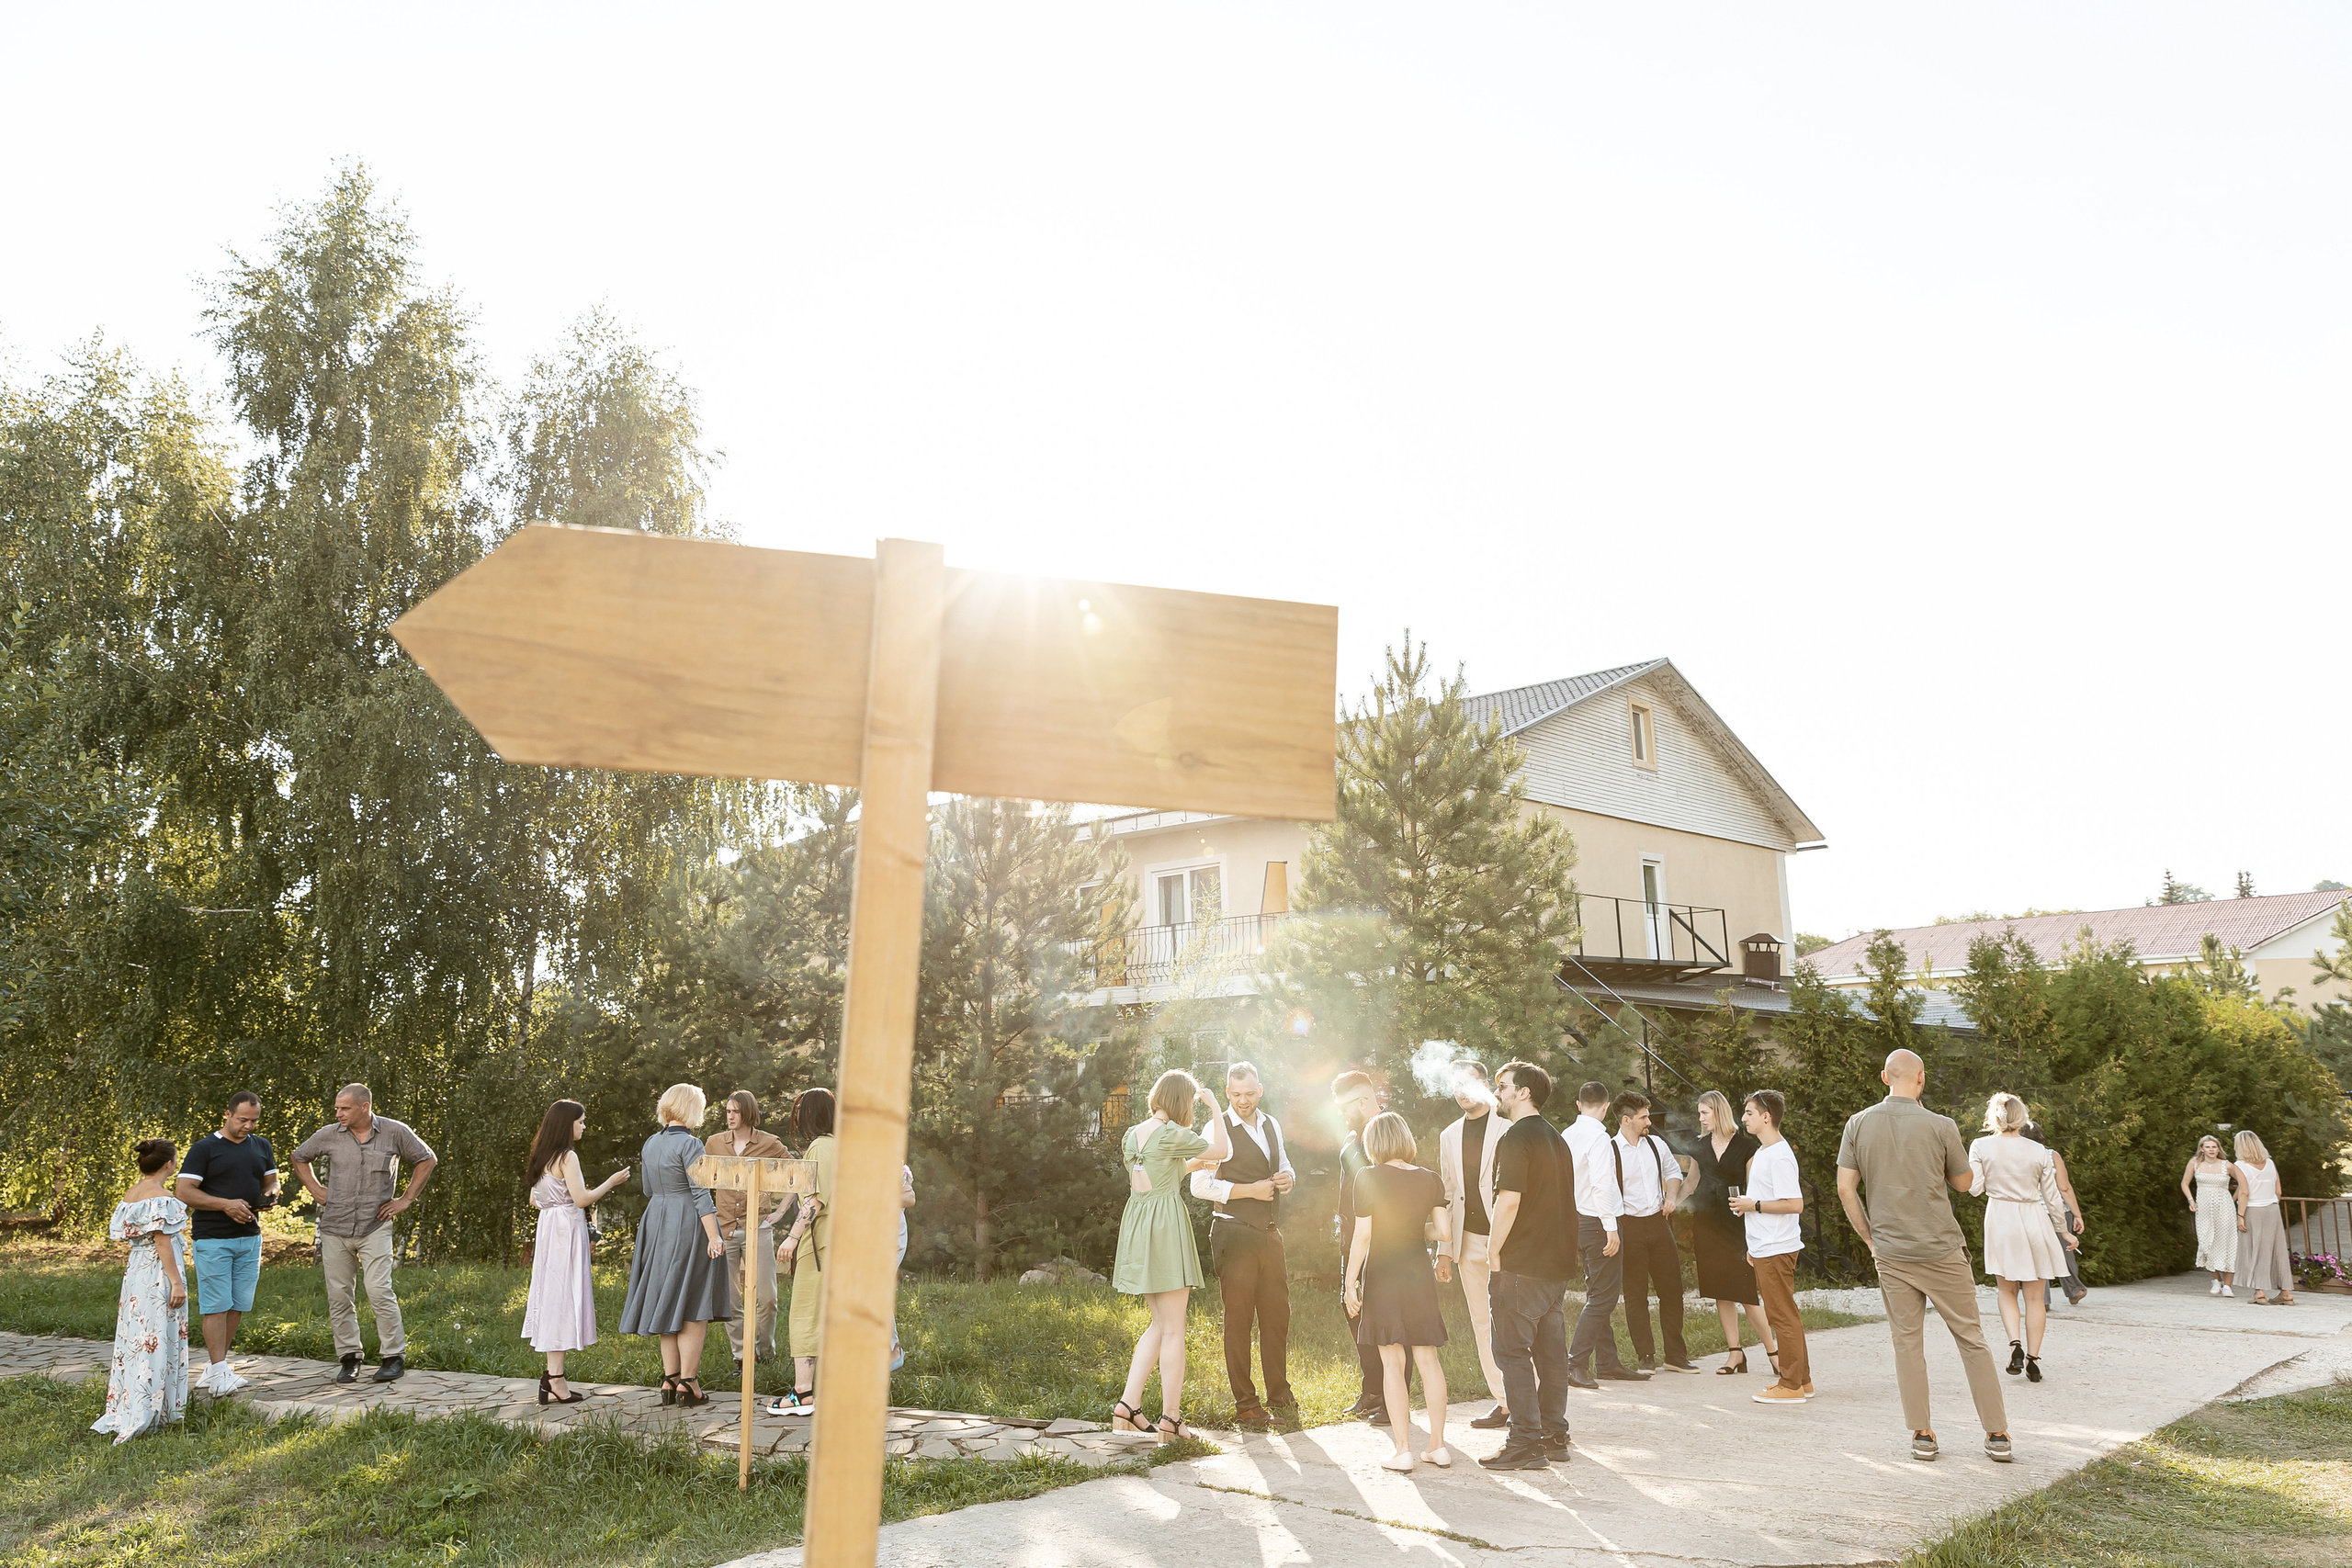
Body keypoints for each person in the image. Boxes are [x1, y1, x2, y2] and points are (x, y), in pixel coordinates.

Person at [1835, 1049, 2012, 1464]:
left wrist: (1870, 1240)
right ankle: (1997, 1434)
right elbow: (1964, 1183)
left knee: (1906, 1343)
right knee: (1971, 1339)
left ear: (1884, 1077)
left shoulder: (1857, 1124)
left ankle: (1922, 1434)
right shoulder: (1941, 1125)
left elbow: (1845, 1189)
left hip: (1891, 1252)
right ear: (1921, 1079)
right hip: (1941, 1249)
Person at [1110, 1070, 1231, 1440]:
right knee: (1175, 1328)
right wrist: (1215, 1108)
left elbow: (1157, 1171)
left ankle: (1128, 1406)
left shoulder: (1134, 1134)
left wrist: (1192, 1164)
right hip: (1165, 1227)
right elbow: (1222, 1150)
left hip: (1139, 1227)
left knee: (1160, 1325)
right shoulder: (1172, 1133)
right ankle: (1172, 1419)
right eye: (1191, 1102)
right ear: (1181, 1101)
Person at [288, 1083, 437, 1385]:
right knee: (339, 1296)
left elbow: (427, 1159)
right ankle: (349, 1358)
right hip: (335, 1227)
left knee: (379, 1290)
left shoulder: (395, 1132)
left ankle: (393, 1357)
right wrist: (315, 1188)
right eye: (337, 1108)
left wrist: (405, 1199)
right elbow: (299, 1156)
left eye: (344, 1108)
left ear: (364, 1107)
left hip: (375, 1225)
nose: (338, 1113)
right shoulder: (329, 1134)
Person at [1478, 1061, 1579, 1471]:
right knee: (1552, 1356)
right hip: (1555, 1265)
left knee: (1512, 1352)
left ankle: (1524, 1442)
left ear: (1523, 1093)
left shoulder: (1516, 1137)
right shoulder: (1557, 1139)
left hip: (1520, 1264)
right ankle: (1554, 1436)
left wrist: (1493, 1251)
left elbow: (1509, 1199)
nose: (1496, 1093)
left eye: (1502, 1086)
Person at [1343, 1111, 1453, 1472]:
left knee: (1393, 1362)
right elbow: (1443, 1232)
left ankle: (1403, 1450)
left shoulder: (1368, 1176)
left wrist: (1349, 1281)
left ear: (1374, 1144)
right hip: (1419, 1276)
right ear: (1405, 1139)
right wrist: (1413, 1227)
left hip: (1384, 1276)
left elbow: (1363, 1235)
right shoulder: (1430, 1178)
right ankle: (1438, 1446)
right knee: (1428, 1360)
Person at [1189, 1061, 1296, 1428]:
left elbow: (1283, 1163)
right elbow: (1199, 1185)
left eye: (1249, 1094)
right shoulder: (1214, 1128)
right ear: (1227, 1093)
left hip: (1268, 1233)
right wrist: (1248, 1190)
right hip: (1232, 1233)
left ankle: (1279, 1394)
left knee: (1276, 1316)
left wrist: (1288, 1178)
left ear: (1260, 1090)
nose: (1243, 1101)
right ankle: (1246, 1405)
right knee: (1239, 1320)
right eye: (1235, 1095)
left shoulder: (1271, 1124)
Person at [616, 1083, 732, 1407]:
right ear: (692, 1109)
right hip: (688, 1223)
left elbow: (648, 1188)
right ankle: (689, 1383)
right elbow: (700, 1193)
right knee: (694, 1303)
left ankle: (670, 1379)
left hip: (656, 1221)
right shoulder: (691, 1143)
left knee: (667, 1298)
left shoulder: (651, 1142)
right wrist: (714, 1235)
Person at [521, 1100, 630, 1404]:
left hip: (549, 1228)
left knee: (553, 1297)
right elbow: (582, 1199)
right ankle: (555, 1378)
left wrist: (555, 1205)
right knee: (562, 1298)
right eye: (580, 1121)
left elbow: (534, 1200)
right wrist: (611, 1182)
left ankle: (553, 1375)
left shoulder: (542, 1155)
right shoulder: (567, 1157)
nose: (583, 1126)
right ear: (566, 1124)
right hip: (565, 1231)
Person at [175, 1091, 280, 1394]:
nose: (249, 1126)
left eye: (254, 1121)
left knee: (237, 1305)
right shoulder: (204, 1148)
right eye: (243, 1119)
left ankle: (216, 1369)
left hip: (250, 1238)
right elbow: (184, 1191)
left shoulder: (261, 1145)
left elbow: (272, 1180)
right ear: (228, 1114)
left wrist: (271, 1194)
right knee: (216, 1305)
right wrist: (225, 1205)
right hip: (213, 1238)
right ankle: (219, 1373)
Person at [1970, 1094, 2075, 1384]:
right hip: (2033, 1217)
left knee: (2007, 1291)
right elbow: (2052, 1196)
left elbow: (1974, 1189)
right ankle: (2033, 1360)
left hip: (2001, 1218)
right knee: (2035, 1297)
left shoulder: (1980, 1146)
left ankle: (2015, 1345)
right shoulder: (2038, 1150)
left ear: (1994, 1117)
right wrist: (2063, 1230)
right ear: (2022, 1117)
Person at [92, 1139, 189, 1443]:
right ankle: (153, 1409)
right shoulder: (162, 1198)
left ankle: (134, 1404)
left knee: (137, 1336)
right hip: (158, 1272)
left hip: (137, 1271)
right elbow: (162, 1242)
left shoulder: (131, 1195)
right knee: (156, 1335)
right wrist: (176, 1282)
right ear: (169, 1164)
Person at [1437, 1061, 1510, 1429]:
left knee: (1517, 1324)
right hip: (1468, 1243)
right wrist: (1444, 1250)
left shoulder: (1509, 1127)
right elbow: (1447, 1195)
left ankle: (1533, 1401)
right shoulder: (1449, 1135)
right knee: (1483, 1324)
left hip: (1508, 1241)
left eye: (1468, 1083)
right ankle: (1504, 1402)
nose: (1461, 1092)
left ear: (1484, 1084)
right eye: (1455, 1085)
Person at [1729, 1089, 1809, 1407]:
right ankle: (1803, 1380)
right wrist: (1754, 1243)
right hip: (1765, 1246)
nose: (1743, 1118)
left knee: (1781, 1316)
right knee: (1786, 1314)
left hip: (1777, 1247)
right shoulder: (1763, 1152)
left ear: (1766, 1117)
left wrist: (1755, 1205)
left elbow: (1795, 1204)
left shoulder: (1779, 1155)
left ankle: (1790, 1385)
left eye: (1749, 1113)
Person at [1689, 1089, 1778, 1376]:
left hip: (1737, 1227)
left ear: (1718, 1112)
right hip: (1706, 1225)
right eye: (1700, 1113)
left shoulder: (1746, 1147)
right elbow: (1691, 1182)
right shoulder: (1700, 1146)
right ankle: (1735, 1353)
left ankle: (1774, 1353)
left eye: (1705, 1113)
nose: (1701, 1119)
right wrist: (1669, 1202)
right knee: (1721, 1292)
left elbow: (1754, 1189)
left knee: (1747, 1294)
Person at [1564, 1080, 1645, 1386]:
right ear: (1607, 1106)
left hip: (1576, 1221)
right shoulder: (1599, 1138)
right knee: (1603, 1298)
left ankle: (1608, 1362)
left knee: (1598, 1293)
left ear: (1578, 1104)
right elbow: (1602, 1185)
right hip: (1599, 1222)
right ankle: (1575, 1363)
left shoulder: (1567, 1135)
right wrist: (1611, 1228)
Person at [707, 1090, 791, 1375]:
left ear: (748, 1113)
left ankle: (765, 1353)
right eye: (727, 1111)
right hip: (724, 1230)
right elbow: (699, 1182)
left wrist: (781, 1211)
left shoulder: (769, 1143)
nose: (729, 1116)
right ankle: (743, 1358)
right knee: (731, 1299)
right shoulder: (714, 1143)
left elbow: (798, 1175)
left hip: (759, 1227)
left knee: (767, 1297)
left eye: (735, 1111)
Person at [1611, 1092, 1695, 1373]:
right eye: (1643, 1117)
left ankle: (1675, 1356)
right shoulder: (1611, 1151)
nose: (1649, 1121)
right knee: (1636, 1295)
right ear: (1626, 1120)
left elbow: (1674, 1173)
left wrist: (1671, 1197)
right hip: (1629, 1226)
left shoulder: (1657, 1145)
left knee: (1672, 1291)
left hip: (1659, 1223)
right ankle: (1645, 1356)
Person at [769, 1088, 840, 1413]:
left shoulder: (820, 1148)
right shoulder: (839, 1146)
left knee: (805, 1314)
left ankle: (802, 1393)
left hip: (820, 1243)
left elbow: (815, 1200)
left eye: (800, 1111)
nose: (796, 1118)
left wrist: (792, 1238)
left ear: (811, 1114)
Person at [1330, 1069, 1393, 1421]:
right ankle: (1372, 1391)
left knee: (1384, 1322)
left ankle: (1391, 1398)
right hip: (1351, 1240)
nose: (1341, 1114)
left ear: (1364, 1101)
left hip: (1379, 1242)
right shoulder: (1353, 1135)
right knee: (1354, 1313)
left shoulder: (1387, 1132)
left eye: (1345, 1107)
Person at [2022, 1119, 2087, 1307]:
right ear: (2040, 1135)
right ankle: (2074, 1290)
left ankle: (2042, 1300)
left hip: (2031, 1211)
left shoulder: (2015, 1157)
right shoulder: (2052, 1155)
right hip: (2057, 1210)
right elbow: (2064, 1188)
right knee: (2064, 1250)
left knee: (2037, 1254)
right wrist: (2077, 1215)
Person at [2233, 1130, 2296, 1305]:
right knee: (2278, 1250)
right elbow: (2278, 1191)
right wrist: (2270, 1203)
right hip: (2272, 1209)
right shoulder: (2270, 1163)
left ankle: (2259, 1292)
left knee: (2254, 1249)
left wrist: (2240, 1216)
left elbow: (2244, 1192)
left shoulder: (2240, 1165)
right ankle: (2286, 1293)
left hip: (2253, 1210)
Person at [2180, 1134, 2245, 1295]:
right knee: (2206, 1242)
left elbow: (2243, 1184)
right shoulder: (2194, 1163)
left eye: (2214, 1147)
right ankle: (2216, 1279)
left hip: (2225, 1209)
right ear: (2202, 1149)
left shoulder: (2227, 1165)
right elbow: (2185, 1183)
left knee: (2227, 1243)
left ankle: (2228, 1285)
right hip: (2203, 1209)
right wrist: (2190, 1200)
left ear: (2218, 1149)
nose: (2211, 1150)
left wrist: (2232, 1199)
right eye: (2208, 1147)